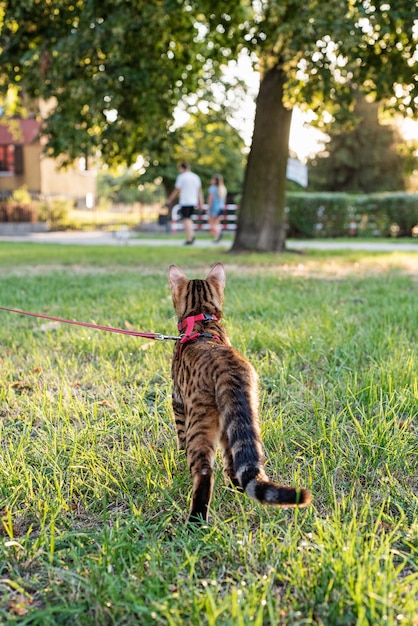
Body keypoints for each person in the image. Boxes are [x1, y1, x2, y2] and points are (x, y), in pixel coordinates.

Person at [165, 162, 203, 245]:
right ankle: (191, 235)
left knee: (186, 219)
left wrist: (170, 200)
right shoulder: (195, 177)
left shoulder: (181, 177)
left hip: (185, 202)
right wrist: (201, 202)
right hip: (193, 201)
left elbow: (176, 190)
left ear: (182, 168)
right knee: (188, 219)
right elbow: (199, 191)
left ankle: (190, 238)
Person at [207, 174, 227, 243]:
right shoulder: (223, 188)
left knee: (212, 223)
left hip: (214, 207)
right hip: (220, 208)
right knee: (217, 223)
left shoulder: (212, 188)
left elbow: (210, 199)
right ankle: (216, 238)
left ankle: (219, 233)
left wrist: (208, 208)